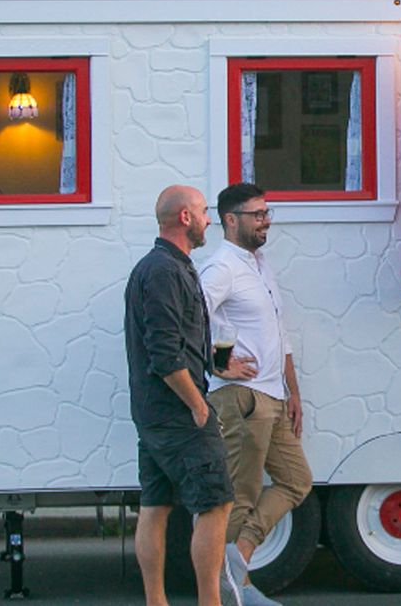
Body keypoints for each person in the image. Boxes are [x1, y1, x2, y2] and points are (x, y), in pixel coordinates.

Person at [200, 183, 311, 606]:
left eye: (268, 213)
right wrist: (214, 362)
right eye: (257, 214)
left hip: (273, 397)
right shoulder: (222, 267)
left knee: (297, 481)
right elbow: (190, 317)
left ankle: (239, 560)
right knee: (238, 497)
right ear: (231, 220)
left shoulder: (259, 263)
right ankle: (230, 592)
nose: (266, 221)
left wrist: (293, 391)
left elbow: (278, 336)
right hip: (241, 397)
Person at [124, 185, 233, 606]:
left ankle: (157, 602)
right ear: (185, 218)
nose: (211, 220)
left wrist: (215, 362)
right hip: (177, 413)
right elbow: (166, 354)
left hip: (152, 413)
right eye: (205, 212)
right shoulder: (166, 272)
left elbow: (174, 342)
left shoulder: (159, 267)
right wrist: (198, 404)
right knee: (215, 504)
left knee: (156, 504)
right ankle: (211, 602)